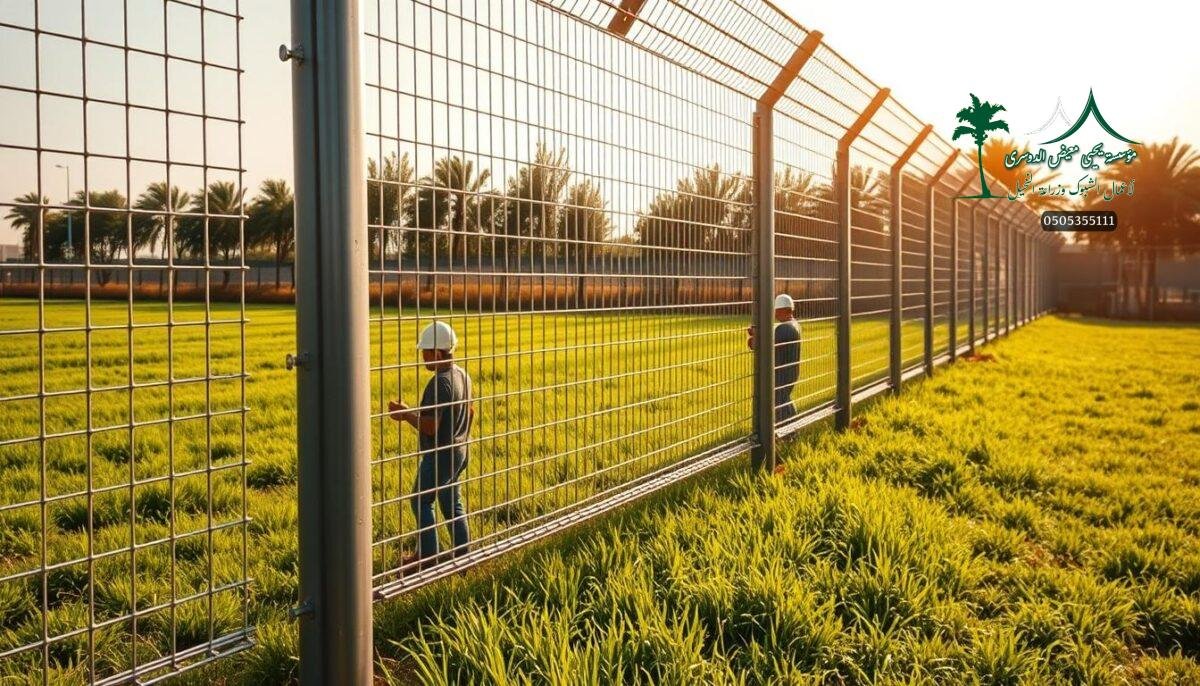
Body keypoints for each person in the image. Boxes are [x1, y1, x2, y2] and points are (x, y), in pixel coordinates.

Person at [388, 320, 474, 570]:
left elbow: (430, 426)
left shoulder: (439, 383)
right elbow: (471, 412)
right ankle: (463, 556)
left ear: (436, 352)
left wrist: (406, 415)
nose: (422, 356)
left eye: (425, 351)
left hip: (440, 455)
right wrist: (460, 437)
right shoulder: (462, 375)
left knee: (420, 500)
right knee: (451, 503)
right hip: (460, 451)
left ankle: (427, 558)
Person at [746, 293, 801, 425]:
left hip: (782, 373)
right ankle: (792, 429)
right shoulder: (793, 324)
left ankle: (788, 433)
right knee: (783, 399)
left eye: (776, 310)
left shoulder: (785, 328)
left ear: (781, 310)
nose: (775, 314)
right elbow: (772, 334)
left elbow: (760, 344)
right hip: (789, 371)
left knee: (779, 401)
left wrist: (754, 339)